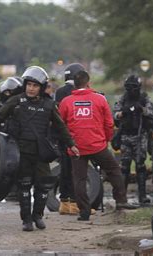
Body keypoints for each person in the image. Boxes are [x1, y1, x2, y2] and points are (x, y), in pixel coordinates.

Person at [0, 66, 79, 231]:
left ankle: (38, 216)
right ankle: (26, 220)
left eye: (35, 86)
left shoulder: (49, 105)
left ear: (41, 87)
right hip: (21, 152)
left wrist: (72, 144)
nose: (31, 88)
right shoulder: (16, 101)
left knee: (43, 186)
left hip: (41, 153)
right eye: (29, 85)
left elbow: (61, 127)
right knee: (24, 185)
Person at [59, 70, 138, 221]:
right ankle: (121, 201)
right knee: (114, 170)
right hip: (97, 145)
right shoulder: (99, 99)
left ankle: (84, 212)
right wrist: (106, 139)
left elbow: (61, 125)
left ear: (73, 85)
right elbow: (109, 123)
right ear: (88, 83)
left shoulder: (66, 102)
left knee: (79, 179)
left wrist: (68, 143)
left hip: (77, 147)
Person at [113, 75, 153, 204]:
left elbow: (152, 113)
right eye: (129, 88)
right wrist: (122, 113)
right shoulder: (123, 98)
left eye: (134, 87)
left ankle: (142, 196)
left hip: (140, 135)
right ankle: (122, 196)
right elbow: (114, 113)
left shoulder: (144, 97)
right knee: (124, 167)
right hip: (125, 135)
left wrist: (141, 109)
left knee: (140, 166)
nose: (132, 90)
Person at [54, 62, 86, 215]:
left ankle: (64, 203)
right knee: (76, 170)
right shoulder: (77, 92)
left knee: (65, 170)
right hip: (74, 136)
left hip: (61, 135)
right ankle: (75, 203)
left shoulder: (59, 91)